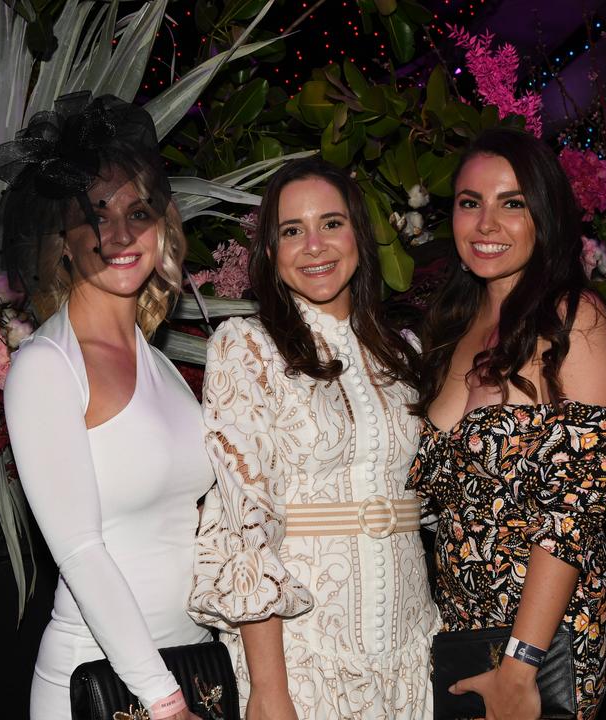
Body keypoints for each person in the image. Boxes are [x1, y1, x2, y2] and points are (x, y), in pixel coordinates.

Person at [407, 128, 606, 720]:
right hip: (466, 623)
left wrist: (521, 662)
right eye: (471, 203)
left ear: (545, 213)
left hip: (544, 633)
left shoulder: (573, 319)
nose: (487, 223)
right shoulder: (456, 327)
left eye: (511, 203)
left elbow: (574, 507)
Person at [0, 93, 212, 720]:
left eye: (138, 212)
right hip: (105, 684)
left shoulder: (159, 363)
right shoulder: (46, 368)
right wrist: (162, 699)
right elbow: (80, 550)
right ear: (64, 239)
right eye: (96, 215)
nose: (120, 234)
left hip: (193, 666)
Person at [188, 158, 439, 720]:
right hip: (306, 656)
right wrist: (270, 691)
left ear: (358, 235)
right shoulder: (246, 347)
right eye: (291, 231)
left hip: (409, 648)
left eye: (331, 223)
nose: (314, 245)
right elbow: (243, 521)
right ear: (271, 254)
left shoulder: (403, 353)